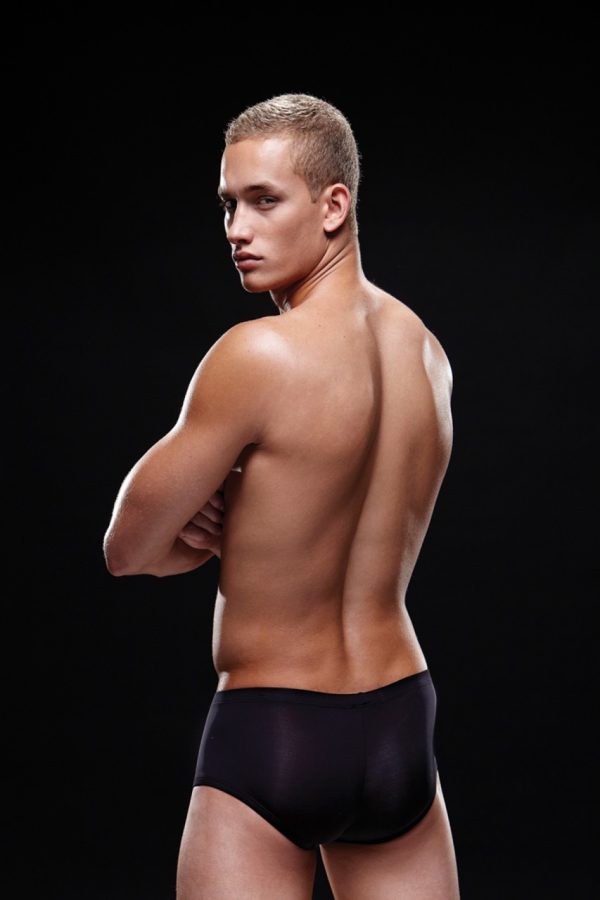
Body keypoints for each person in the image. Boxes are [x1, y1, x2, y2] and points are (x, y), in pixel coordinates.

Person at [103, 92, 461, 899]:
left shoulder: (256, 355)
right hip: (402, 721)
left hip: (277, 725)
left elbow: (126, 549)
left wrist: (202, 534)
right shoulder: (428, 355)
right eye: (229, 204)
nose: (237, 229)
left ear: (334, 206)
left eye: (264, 201)